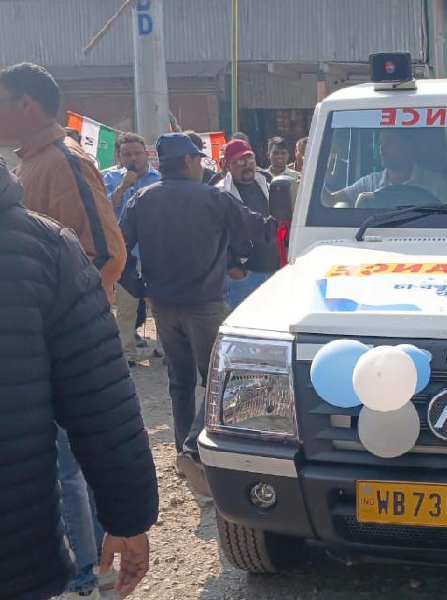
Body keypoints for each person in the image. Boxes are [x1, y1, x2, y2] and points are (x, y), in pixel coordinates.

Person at [0, 159, 158, 600]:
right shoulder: (45, 248)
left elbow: (99, 399)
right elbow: (101, 403)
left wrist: (127, 517)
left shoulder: (45, 246)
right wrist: (128, 519)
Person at [120, 133, 275, 487]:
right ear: (189, 162)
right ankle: (193, 452)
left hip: (162, 306)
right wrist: (273, 227)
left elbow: (119, 246)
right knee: (222, 381)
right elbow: (256, 228)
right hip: (204, 305)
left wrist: (137, 286)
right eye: (198, 160)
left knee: (181, 382)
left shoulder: (141, 199)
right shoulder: (211, 197)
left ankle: (183, 455)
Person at [0, 62, 126, 304]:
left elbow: (108, 255)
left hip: (63, 335)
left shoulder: (66, 161)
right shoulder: (29, 162)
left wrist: (53, 311)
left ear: (26, 104)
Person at [102, 133, 162, 366]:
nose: (133, 158)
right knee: (126, 307)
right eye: (127, 154)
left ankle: (165, 347)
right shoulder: (109, 178)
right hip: (125, 252)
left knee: (159, 304)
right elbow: (103, 210)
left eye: (137, 153)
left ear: (146, 155)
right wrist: (123, 186)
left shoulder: (160, 178)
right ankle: (127, 353)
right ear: (119, 156)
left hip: (155, 251)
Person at [216, 139, 281, 308]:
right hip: (244, 277)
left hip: (275, 271)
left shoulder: (269, 184)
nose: (246, 164)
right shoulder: (221, 193)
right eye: (238, 161)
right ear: (228, 166)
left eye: (249, 158)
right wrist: (232, 267)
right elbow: (216, 236)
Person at [329, 129, 447, 207]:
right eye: (380, 143)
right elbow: (330, 201)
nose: (382, 149)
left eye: (389, 142)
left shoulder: (434, 184)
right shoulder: (370, 182)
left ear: (408, 146)